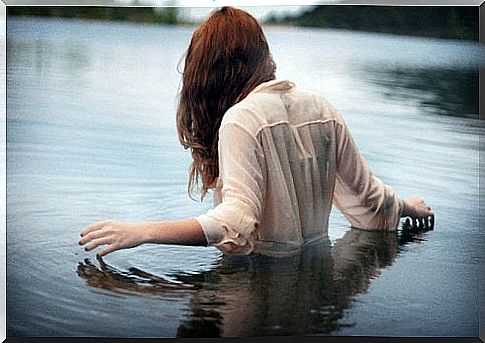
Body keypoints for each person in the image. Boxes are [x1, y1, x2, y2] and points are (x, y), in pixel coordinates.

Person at [79, 7, 434, 258]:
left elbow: (236, 221)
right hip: (318, 287)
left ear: (208, 72)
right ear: (262, 54)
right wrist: (408, 206)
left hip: (257, 286)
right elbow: (369, 196)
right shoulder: (323, 109)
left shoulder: (239, 120)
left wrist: (142, 232)